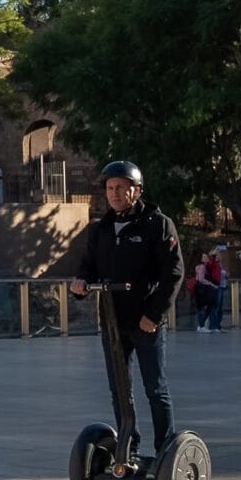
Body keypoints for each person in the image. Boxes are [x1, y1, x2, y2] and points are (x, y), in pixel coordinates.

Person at [71, 160, 184, 457]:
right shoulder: (101, 229)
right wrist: (81, 283)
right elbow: (89, 267)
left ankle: (165, 451)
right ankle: (127, 446)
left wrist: (154, 315)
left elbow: (173, 274)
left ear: (136, 190)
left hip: (146, 321)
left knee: (155, 390)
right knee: (119, 390)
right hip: (112, 321)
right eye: (110, 188)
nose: (115, 193)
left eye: (121, 187)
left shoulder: (158, 225)